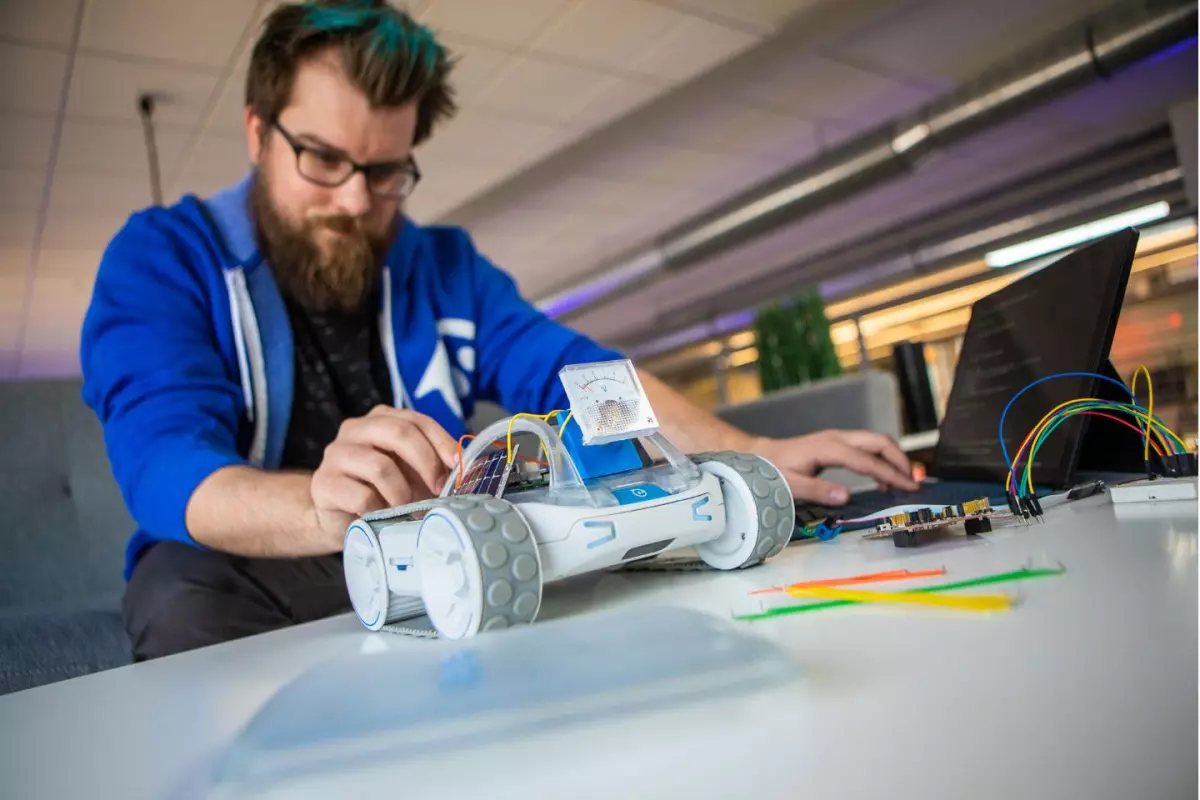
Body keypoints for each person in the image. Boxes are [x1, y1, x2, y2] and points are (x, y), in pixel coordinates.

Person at [80, 0, 916, 661]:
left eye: (384, 173)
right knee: (177, 593)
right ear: (260, 132)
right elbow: (168, 468)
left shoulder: (442, 264)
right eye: (323, 160)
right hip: (245, 572)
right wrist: (326, 506)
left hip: (441, 549)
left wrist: (746, 449)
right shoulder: (163, 258)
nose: (353, 201)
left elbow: (576, 373)